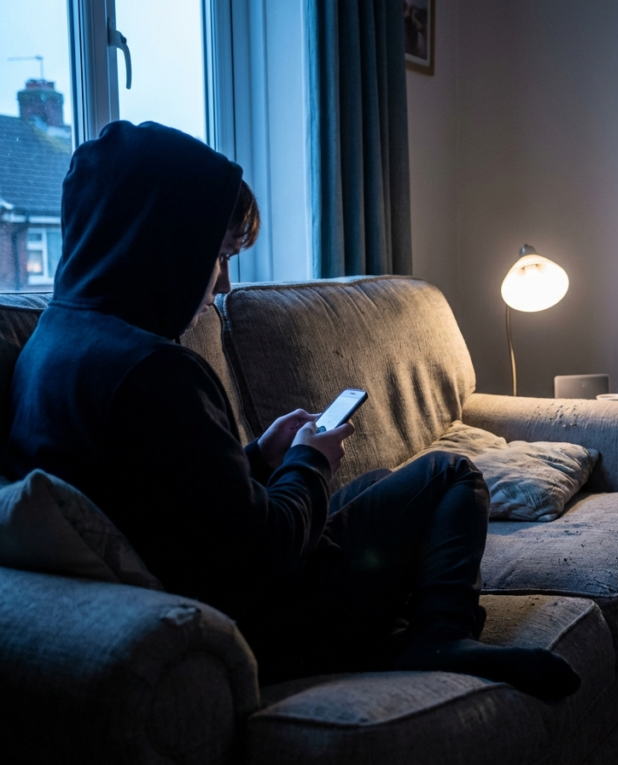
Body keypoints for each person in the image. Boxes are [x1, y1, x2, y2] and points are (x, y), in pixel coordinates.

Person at [5, 120, 580, 700]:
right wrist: (308, 461)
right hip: (275, 624)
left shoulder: (52, 346)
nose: (222, 282)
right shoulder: (153, 372)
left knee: (384, 481)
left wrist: (258, 457)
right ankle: (440, 636)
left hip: (229, 589)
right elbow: (268, 551)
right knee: (450, 473)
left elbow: (175, 502)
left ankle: (418, 622)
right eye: (218, 255)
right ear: (163, 242)